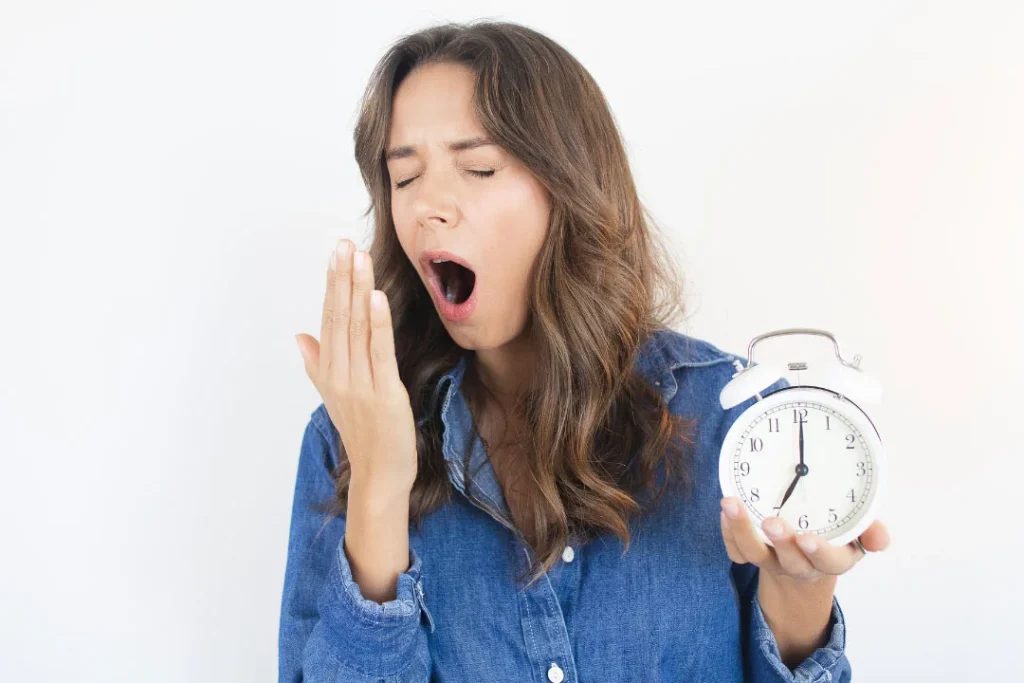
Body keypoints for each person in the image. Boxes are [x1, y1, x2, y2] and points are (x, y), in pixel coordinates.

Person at [281, 20, 890, 683]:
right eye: (404, 178)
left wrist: (800, 586)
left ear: (569, 188)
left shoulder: (729, 417)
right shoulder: (343, 441)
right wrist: (378, 483)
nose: (429, 205)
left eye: (478, 167)